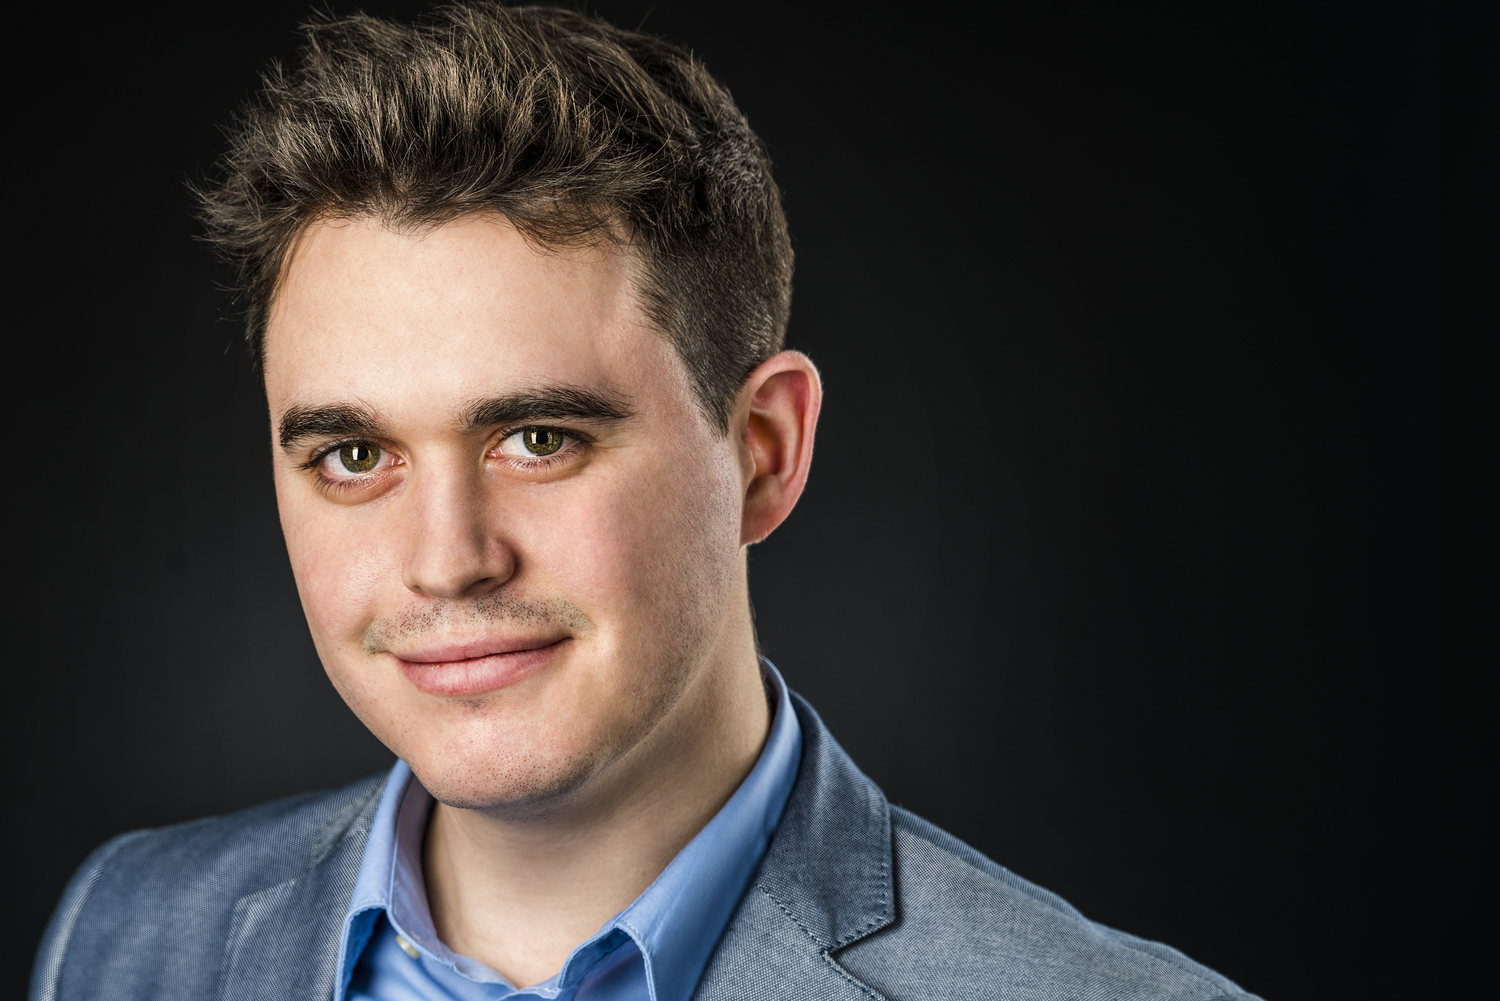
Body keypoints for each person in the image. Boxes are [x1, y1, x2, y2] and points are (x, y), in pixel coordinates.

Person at [31, 5, 1261, 1000]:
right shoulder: (124, 935)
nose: (447, 560)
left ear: (764, 452)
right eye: (355, 455)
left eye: (539, 438)